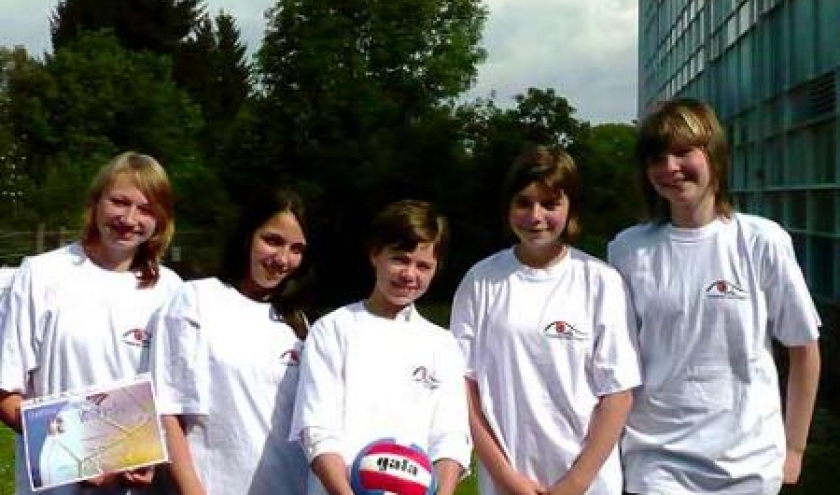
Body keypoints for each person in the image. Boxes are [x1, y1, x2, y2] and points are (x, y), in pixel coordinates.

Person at [607, 97, 822, 495]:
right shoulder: (627, 250)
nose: (669, 167)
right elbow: (615, 361)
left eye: (683, 152)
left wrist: (793, 450)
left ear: (714, 156)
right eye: (657, 157)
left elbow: (804, 349)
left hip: (748, 464)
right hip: (656, 463)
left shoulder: (762, 241)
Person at [449, 145, 641, 495]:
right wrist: (506, 478)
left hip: (589, 485)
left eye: (550, 204)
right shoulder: (481, 281)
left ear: (571, 209)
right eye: (523, 203)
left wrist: (575, 483)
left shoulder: (600, 281)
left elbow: (618, 394)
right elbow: (463, 388)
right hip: (507, 483)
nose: (536, 216)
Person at [0, 151, 182, 494]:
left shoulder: (172, 290)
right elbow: (5, 392)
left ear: (161, 219)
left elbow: (176, 399)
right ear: (96, 202)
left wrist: (152, 460)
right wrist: (82, 452)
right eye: (119, 202)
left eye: (146, 209)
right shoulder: (40, 274)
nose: (129, 218)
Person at [290, 199, 472, 495]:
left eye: (423, 265)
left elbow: (451, 438)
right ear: (375, 253)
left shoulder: (442, 344)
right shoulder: (333, 330)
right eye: (400, 259)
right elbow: (317, 429)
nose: (409, 274)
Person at [148, 188, 312, 495]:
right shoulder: (196, 299)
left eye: (296, 249)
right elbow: (167, 412)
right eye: (272, 240)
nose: (282, 259)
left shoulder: (298, 324)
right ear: (247, 236)